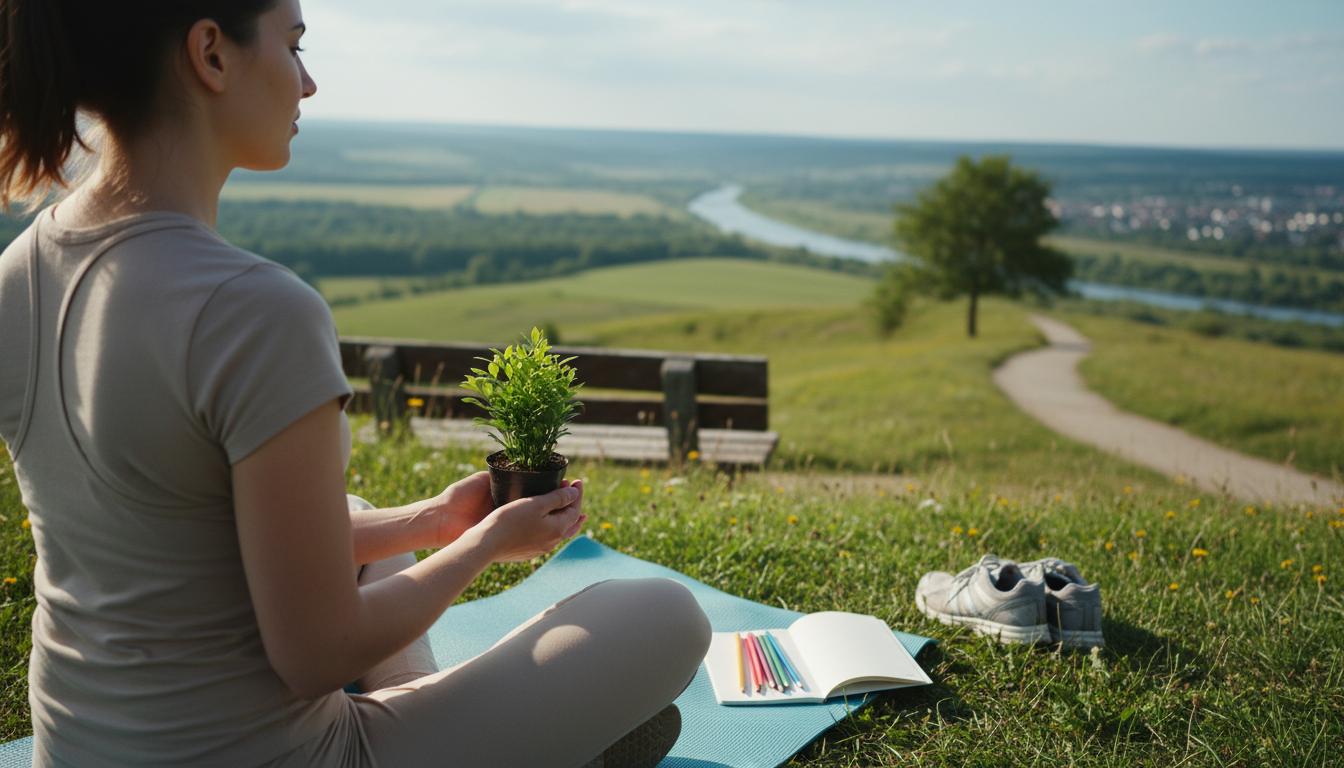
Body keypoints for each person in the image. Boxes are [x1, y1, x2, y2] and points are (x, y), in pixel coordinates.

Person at [0, 1, 712, 765]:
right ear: (211, 54)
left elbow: (178, 535)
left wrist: (435, 521)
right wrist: (483, 546)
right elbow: (318, 656)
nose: (306, 83)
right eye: (293, 45)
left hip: (78, 749)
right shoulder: (253, 311)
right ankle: (457, 726)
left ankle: (436, 713)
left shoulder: (19, 274)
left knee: (359, 519)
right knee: (667, 614)